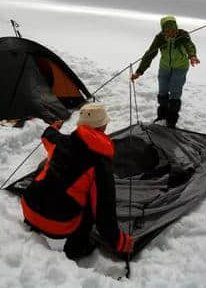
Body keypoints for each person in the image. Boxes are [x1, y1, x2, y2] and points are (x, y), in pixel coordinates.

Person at [20, 103, 135, 260]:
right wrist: (120, 242)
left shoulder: (60, 142)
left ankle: (35, 223)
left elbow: (48, 134)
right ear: (102, 126)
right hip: (57, 224)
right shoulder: (100, 163)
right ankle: (77, 247)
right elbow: (104, 215)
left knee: (45, 166)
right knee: (91, 199)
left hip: (28, 208)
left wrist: (54, 126)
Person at [130, 15, 200, 128]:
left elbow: (189, 46)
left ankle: (171, 120)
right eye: (168, 31)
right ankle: (162, 116)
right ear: (163, 31)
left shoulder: (183, 35)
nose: (172, 33)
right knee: (162, 92)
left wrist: (192, 56)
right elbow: (150, 54)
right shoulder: (160, 38)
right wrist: (139, 71)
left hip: (180, 67)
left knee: (175, 92)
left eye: (174, 30)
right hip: (165, 67)